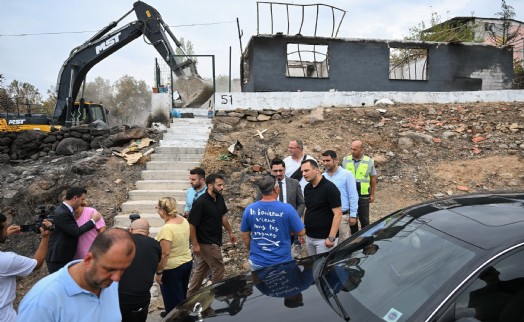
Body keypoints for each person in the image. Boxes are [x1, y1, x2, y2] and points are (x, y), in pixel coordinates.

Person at [18, 228, 136, 322]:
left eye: (123, 270)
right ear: (89, 259)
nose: (117, 278)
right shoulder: (42, 301)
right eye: (110, 269)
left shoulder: (108, 282)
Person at [241, 175, 305, 270]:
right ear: (276, 189)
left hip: (257, 262)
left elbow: (245, 236)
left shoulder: (249, 209)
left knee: (260, 285)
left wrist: (252, 251)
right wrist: (287, 230)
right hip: (282, 262)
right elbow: (301, 232)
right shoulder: (287, 209)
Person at [187, 173, 236, 298]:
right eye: (219, 185)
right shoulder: (200, 203)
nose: (222, 187)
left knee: (202, 268)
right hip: (206, 242)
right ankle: (215, 296)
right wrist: (195, 244)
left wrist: (230, 231)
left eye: (222, 185)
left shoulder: (219, 198)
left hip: (215, 239)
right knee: (219, 268)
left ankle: (190, 296)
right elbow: (192, 225)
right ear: (210, 185)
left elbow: (222, 216)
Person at [0, 212, 52, 322]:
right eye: (5, 228)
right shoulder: (6, 260)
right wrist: (46, 237)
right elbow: (37, 264)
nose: (7, 229)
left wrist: (4, 234)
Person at [46, 186, 102, 273]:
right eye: (82, 199)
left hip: (64, 257)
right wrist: (93, 220)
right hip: (58, 258)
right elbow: (76, 232)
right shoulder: (62, 212)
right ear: (75, 198)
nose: (83, 202)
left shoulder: (65, 210)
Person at [155, 197, 193, 316]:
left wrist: (159, 272)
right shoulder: (183, 220)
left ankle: (174, 317)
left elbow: (165, 253)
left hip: (172, 268)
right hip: (186, 262)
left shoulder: (167, 229)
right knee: (181, 295)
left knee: (172, 300)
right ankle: (177, 315)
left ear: (162, 210)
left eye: (157, 208)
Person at [119, 218, 162, 322]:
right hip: (141, 298)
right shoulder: (155, 245)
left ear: (130, 230)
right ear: (148, 233)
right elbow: (158, 264)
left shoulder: (120, 242)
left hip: (119, 297)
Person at [300, 159, 342, 255]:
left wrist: (331, 237)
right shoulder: (307, 188)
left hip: (324, 239)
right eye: (302, 171)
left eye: (306, 170)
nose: (303, 174)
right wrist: (302, 229)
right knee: (313, 266)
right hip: (310, 237)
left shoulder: (329, 188)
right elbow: (307, 209)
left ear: (317, 170)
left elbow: (338, 213)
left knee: (324, 268)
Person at [269, 158, 305, 258]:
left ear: (285, 170)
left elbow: (301, 203)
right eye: (275, 171)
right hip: (273, 227)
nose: (278, 173)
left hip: (291, 227)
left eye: (281, 170)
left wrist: (294, 218)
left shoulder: (294, 183)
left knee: (289, 254)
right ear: (271, 171)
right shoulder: (266, 185)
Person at [321, 150, 359, 242]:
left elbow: (353, 195)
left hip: (342, 217)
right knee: (328, 244)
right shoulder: (322, 177)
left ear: (335, 160)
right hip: (326, 216)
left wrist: (353, 215)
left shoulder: (347, 175)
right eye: (324, 161)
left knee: (342, 245)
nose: (325, 163)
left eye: (328, 160)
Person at [341, 140, 377, 234]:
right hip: (349, 195)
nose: (352, 151)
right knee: (352, 220)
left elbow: (373, 178)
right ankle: (354, 241)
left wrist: (372, 194)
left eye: (355, 149)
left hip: (363, 195)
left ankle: (367, 241)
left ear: (361, 150)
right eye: (351, 149)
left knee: (364, 220)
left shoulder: (369, 161)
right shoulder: (346, 160)